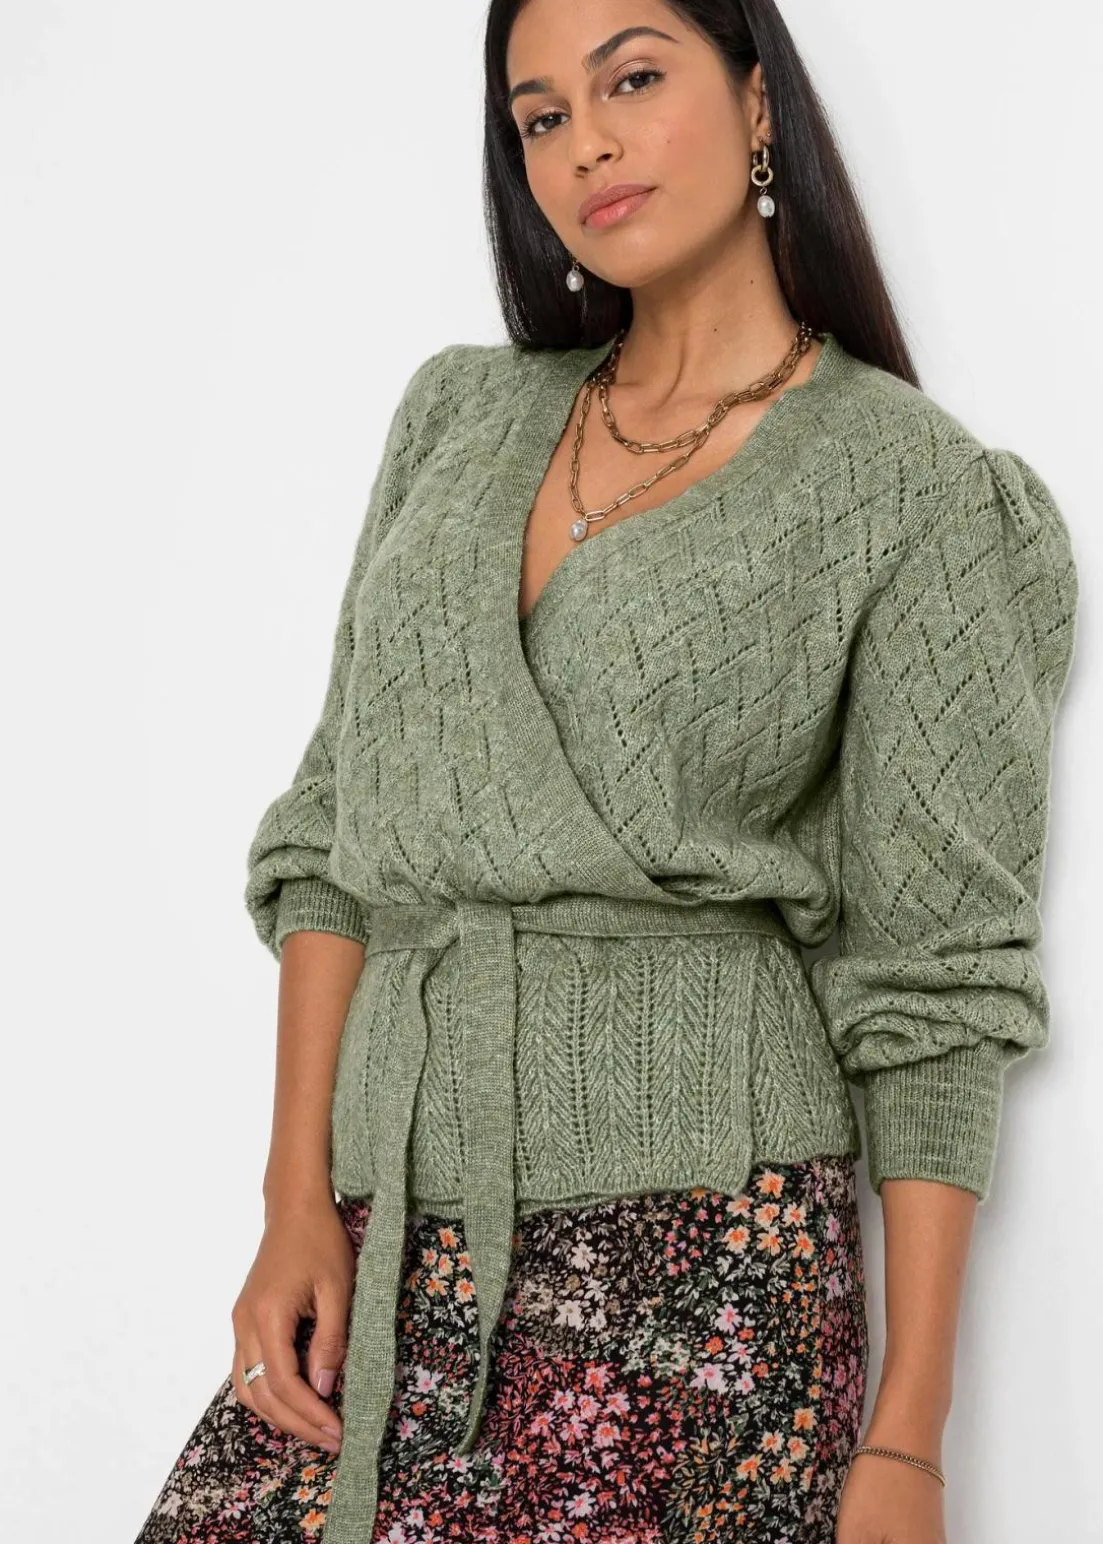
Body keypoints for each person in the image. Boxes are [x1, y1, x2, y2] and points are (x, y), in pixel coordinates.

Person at [134, 2, 1079, 1542]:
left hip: (703, 1264)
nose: (586, 143)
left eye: (632, 78)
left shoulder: (909, 488)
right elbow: (331, 840)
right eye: (540, 116)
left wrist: (908, 1440)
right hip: (383, 1229)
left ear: (758, 104)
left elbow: (935, 986)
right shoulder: (456, 417)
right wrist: (295, 1200)